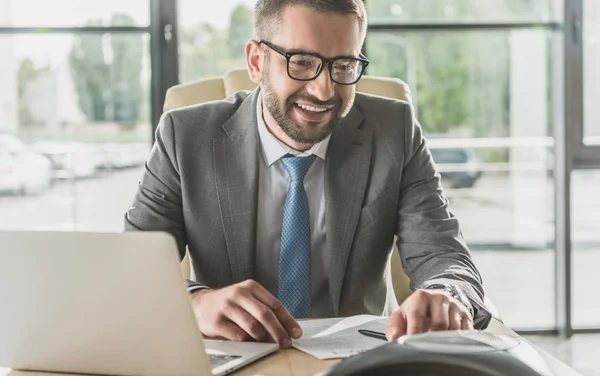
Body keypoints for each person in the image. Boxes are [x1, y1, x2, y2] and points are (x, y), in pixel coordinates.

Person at [125, 0, 492, 349]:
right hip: (231, 361)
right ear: (256, 61)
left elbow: (444, 255)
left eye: (344, 66)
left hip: (358, 363)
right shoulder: (185, 136)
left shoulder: (394, 131)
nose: (324, 90)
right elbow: (131, 268)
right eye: (301, 62)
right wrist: (196, 303)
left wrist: (447, 296)